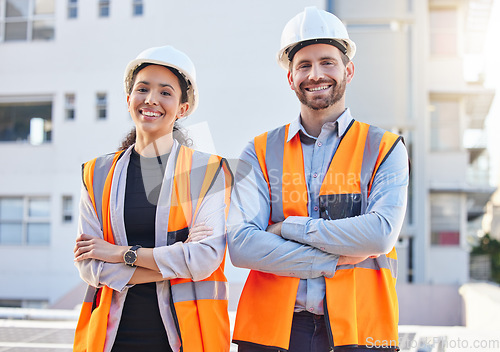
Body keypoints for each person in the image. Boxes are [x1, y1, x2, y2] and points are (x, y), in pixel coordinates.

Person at [227, 7, 409, 352]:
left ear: (348, 70)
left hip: (360, 329)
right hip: (272, 332)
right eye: (304, 65)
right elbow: (241, 245)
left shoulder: (385, 148)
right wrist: (332, 259)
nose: (316, 74)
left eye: (327, 62)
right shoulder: (260, 151)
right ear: (291, 77)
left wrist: (287, 228)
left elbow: (380, 234)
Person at [73, 45, 232, 352]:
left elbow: (203, 259)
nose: (151, 99)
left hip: (186, 339)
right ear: (128, 99)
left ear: (182, 108)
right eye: (142, 89)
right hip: (111, 338)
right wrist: (178, 256)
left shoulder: (207, 171)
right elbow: (91, 267)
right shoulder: (96, 173)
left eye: (166, 92)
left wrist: (120, 253)